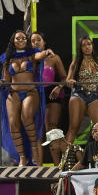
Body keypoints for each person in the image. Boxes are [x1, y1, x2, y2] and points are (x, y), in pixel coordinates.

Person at [0, 30, 46, 166]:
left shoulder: (32, 55)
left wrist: (46, 52)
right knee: (13, 124)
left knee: (26, 117)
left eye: (23, 38)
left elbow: (40, 55)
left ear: (26, 40)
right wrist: (0, 84)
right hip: (13, 93)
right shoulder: (8, 59)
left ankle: (34, 149)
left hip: (30, 92)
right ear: (13, 41)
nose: (20, 40)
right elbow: (6, 79)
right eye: (18, 38)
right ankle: (22, 157)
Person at [63, 36, 98, 147]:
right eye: (83, 45)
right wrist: (70, 81)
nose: (87, 47)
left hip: (95, 94)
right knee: (74, 127)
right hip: (79, 93)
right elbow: (68, 80)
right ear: (80, 49)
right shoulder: (76, 63)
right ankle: (64, 161)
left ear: (92, 46)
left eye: (89, 44)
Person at [32, 32, 69, 163]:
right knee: (37, 131)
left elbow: (65, 78)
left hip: (52, 94)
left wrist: (59, 87)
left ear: (44, 42)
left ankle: (57, 166)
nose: (36, 42)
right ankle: (39, 167)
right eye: (33, 41)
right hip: (36, 94)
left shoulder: (54, 58)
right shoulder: (30, 59)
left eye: (38, 40)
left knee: (52, 128)